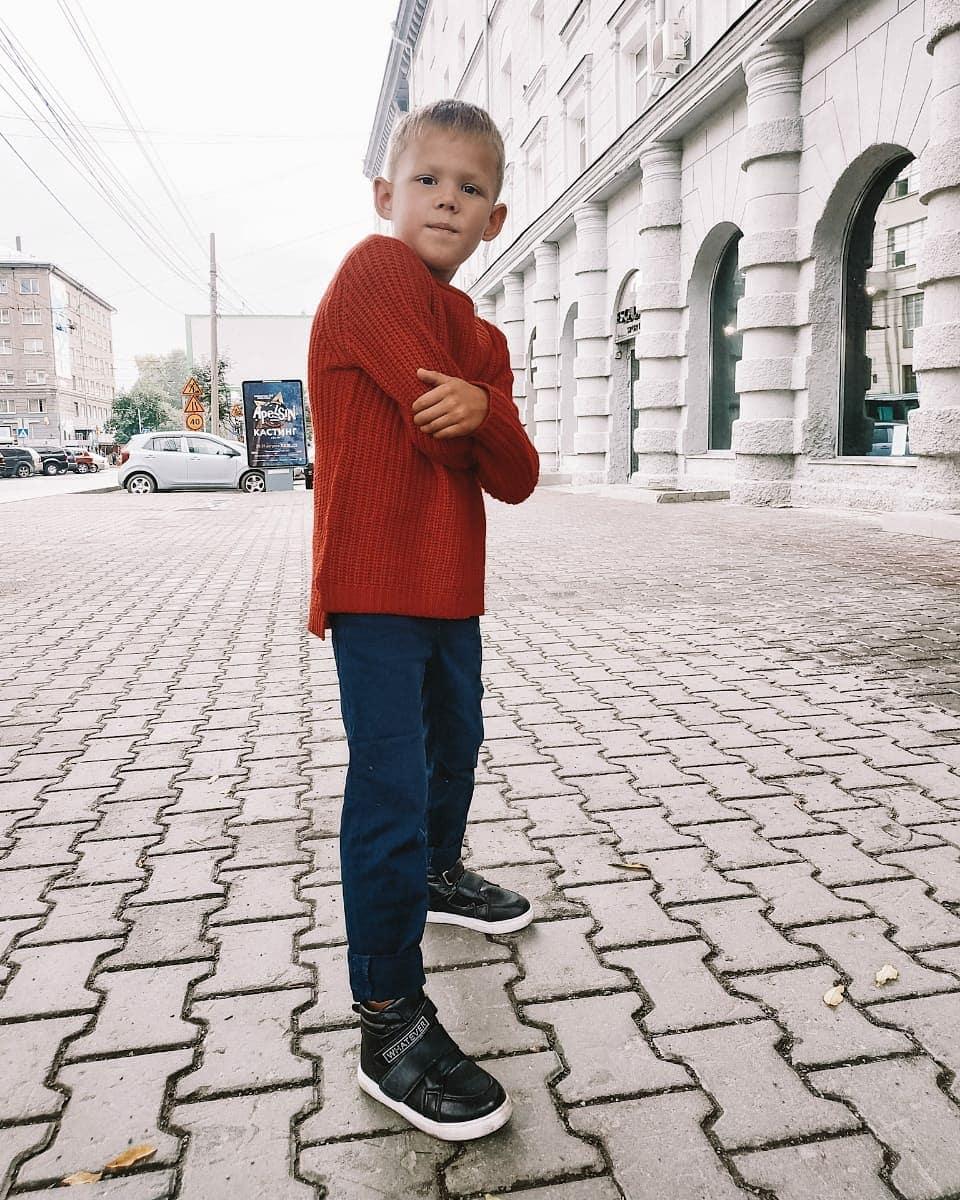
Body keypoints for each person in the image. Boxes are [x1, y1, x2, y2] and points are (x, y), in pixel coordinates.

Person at [306, 99, 540, 1142]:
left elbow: (518, 475)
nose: (448, 200)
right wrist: (479, 419)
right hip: (374, 585)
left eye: (471, 187)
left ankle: (438, 876)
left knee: (460, 744)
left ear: (496, 218)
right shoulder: (375, 273)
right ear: (384, 195)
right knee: (389, 789)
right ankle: (388, 1019)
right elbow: (446, 439)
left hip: (452, 588)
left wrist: (484, 412)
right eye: (428, 180)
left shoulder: (482, 335)